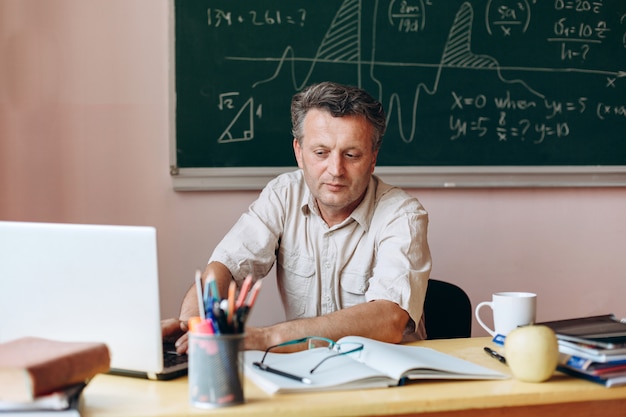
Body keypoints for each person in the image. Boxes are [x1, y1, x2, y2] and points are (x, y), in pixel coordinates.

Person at [162, 81, 431, 353]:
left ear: (373, 159)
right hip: (305, 372)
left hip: (388, 377)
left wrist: (265, 338)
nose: (336, 170)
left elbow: (390, 319)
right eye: (321, 153)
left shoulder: (402, 214)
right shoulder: (283, 195)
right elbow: (227, 267)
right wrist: (193, 325)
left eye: (351, 155)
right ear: (299, 153)